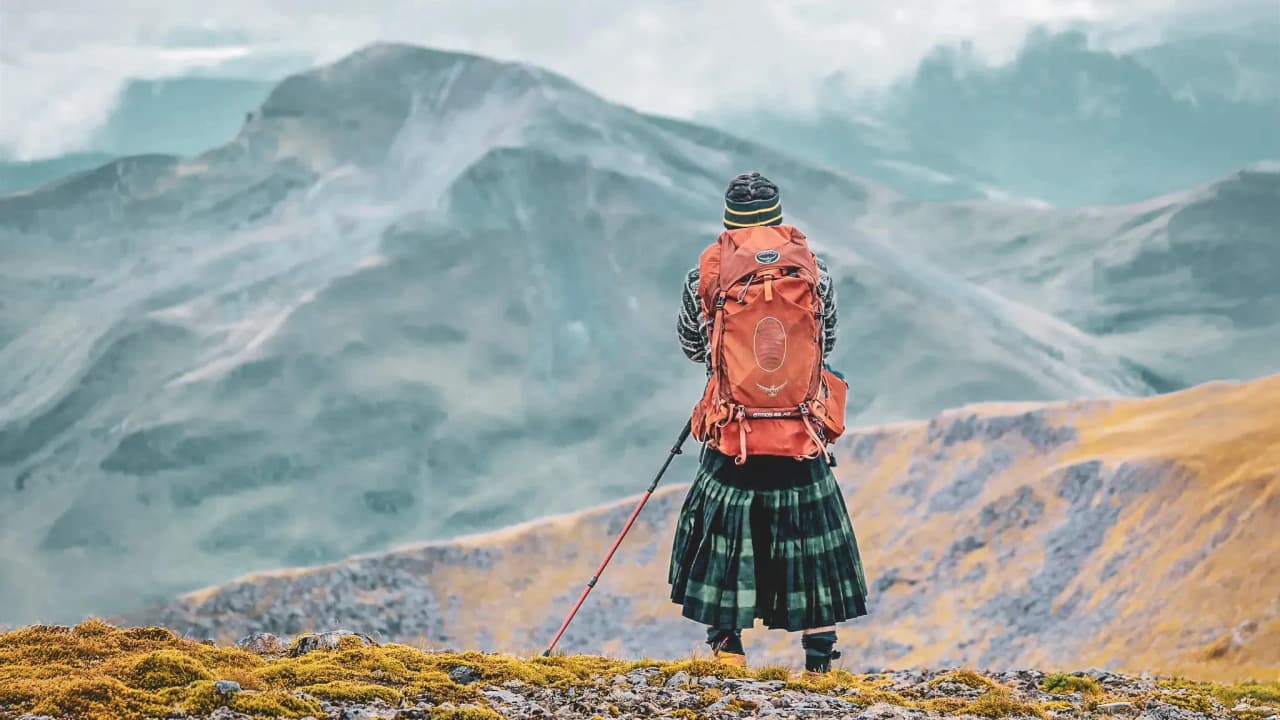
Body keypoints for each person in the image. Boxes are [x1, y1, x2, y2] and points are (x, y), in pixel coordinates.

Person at [668, 172, 869, 674]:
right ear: (778, 217)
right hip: (800, 435)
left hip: (733, 438)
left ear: (729, 220)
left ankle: (728, 650)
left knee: (726, 542)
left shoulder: (705, 277)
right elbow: (827, 345)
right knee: (813, 548)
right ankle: (820, 662)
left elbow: (695, 348)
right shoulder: (814, 272)